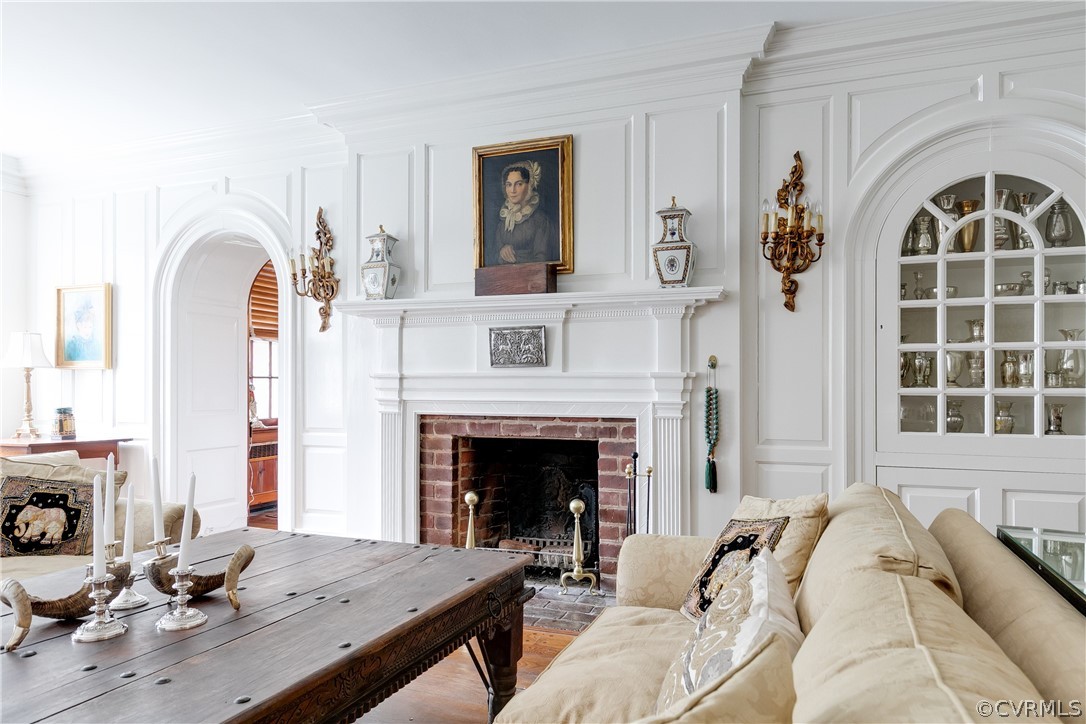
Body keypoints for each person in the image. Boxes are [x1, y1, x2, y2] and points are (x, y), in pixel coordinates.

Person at [489, 160, 558, 265]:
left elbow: (542, 261)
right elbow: (492, 260)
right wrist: (502, 252)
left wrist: (514, 256)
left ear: (529, 185)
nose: (512, 190)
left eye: (519, 184)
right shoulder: (503, 224)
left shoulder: (540, 220)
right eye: (509, 184)